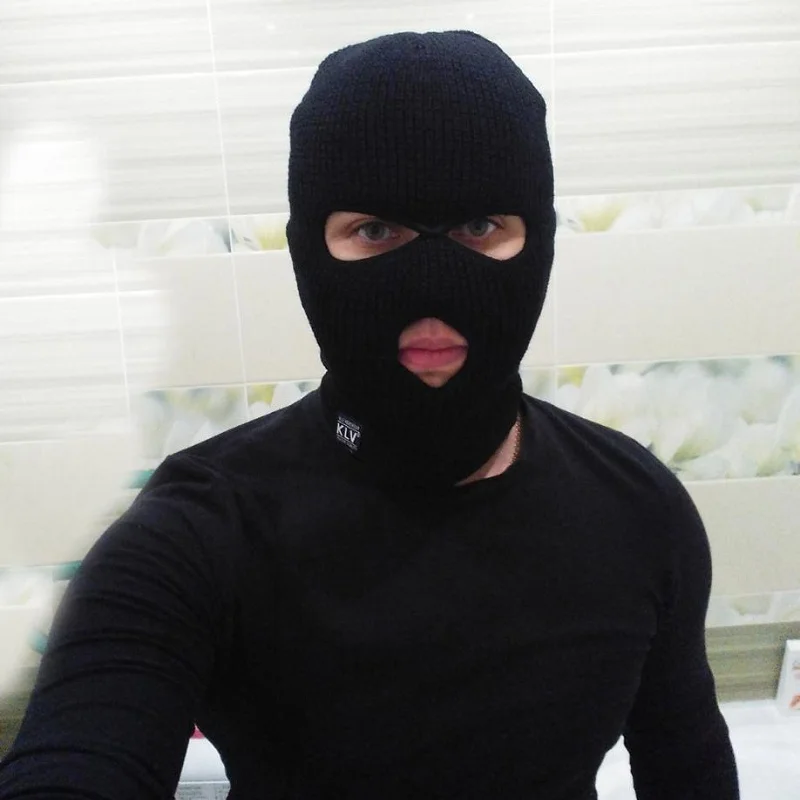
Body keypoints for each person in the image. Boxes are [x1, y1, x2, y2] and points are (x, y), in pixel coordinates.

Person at [0, 30, 739, 799]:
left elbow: (689, 765)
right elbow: (80, 750)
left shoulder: (638, 510)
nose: (432, 286)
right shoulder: (200, 529)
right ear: (308, 252)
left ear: (539, 240)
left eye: (479, 227)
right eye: (376, 231)